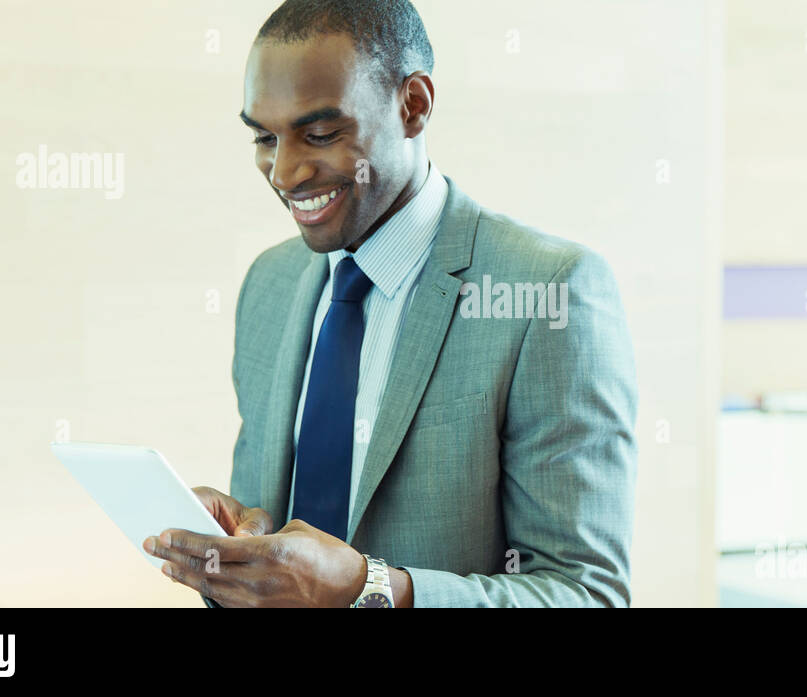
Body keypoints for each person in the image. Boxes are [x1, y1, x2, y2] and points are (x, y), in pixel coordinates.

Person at [144, 0, 637, 607]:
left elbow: (585, 593)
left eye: (320, 134)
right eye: (265, 138)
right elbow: (279, 547)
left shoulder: (548, 291)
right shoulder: (270, 284)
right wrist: (236, 549)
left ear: (414, 105)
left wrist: (367, 589)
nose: (285, 173)